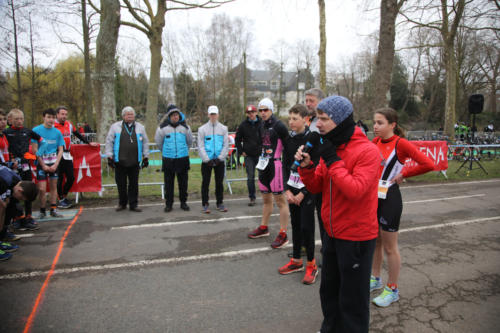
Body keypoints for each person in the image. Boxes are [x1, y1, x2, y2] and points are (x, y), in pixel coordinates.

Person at [296, 95, 380, 332]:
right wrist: (307, 168)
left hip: (356, 236)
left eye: (324, 118)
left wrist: (332, 160)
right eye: (317, 118)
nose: (318, 124)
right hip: (331, 233)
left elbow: (355, 190)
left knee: (352, 299)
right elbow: (316, 187)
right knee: (329, 292)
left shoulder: (367, 151)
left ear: (342, 120)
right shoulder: (330, 145)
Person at [370, 107, 434, 307]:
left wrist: (405, 174)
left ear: (392, 125)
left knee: (390, 247)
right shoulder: (375, 142)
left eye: (380, 123)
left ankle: (392, 289)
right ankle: (375, 278)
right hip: (374, 198)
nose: (375, 126)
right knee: (376, 242)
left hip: (390, 198)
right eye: (374, 122)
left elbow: (428, 164)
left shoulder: (401, 144)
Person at [278, 104, 318, 284]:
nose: (291, 122)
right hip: (292, 190)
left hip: (307, 191)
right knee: (295, 225)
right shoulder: (289, 139)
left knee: (307, 228)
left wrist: (303, 192)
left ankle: (311, 264)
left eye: (295, 118)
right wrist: (287, 190)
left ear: (305, 119)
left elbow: (317, 168)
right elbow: (286, 166)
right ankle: (296, 260)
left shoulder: (313, 138)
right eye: (290, 118)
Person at [247, 98, 290, 249]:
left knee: (280, 201)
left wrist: (289, 167)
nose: (263, 113)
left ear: (272, 110)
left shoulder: (279, 126)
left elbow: (288, 146)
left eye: (266, 110)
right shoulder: (261, 125)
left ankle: (283, 233)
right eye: (261, 110)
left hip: (276, 165)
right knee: (266, 199)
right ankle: (264, 227)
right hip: (263, 165)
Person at [54, 106, 100, 209]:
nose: (64, 116)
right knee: (60, 178)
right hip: (57, 154)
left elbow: (77, 134)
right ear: (57, 115)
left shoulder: (69, 124)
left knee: (71, 177)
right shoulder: (53, 125)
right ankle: (60, 199)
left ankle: (64, 196)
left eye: (65, 114)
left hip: (67, 154)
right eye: (62, 114)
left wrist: (88, 143)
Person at [105, 106, 149, 212]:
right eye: (127, 114)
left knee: (134, 184)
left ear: (134, 116)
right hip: (120, 160)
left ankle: (133, 204)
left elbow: (145, 142)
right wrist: (109, 156)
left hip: (135, 161)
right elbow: (109, 141)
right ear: (123, 116)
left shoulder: (140, 127)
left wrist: (146, 156)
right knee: (121, 184)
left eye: (132, 114)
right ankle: (122, 203)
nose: (130, 116)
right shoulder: (115, 127)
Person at [4, 109, 42, 230]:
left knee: (29, 190)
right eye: (16, 119)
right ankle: (17, 217)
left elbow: (42, 141)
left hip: (26, 165)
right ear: (10, 120)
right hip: (13, 166)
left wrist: (35, 155)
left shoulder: (27, 131)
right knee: (15, 192)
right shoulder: (6, 132)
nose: (19, 121)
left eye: (21, 119)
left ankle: (28, 216)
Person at [155, 104, 193, 212]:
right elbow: (159, 143)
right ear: (169, 116)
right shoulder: (162, 128)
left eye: (176, 115)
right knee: (169, 183)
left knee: (183, 183)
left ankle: (183, 202)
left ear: (179, 116)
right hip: (168, 160)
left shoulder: (186, 127)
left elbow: (189, 142)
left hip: (182, 159)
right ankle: (169, 204)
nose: (175, 117)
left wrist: (183, 150)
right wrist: (167, 151)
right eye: (172, 115)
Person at [0, 166, 38, 260]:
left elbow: (7, 204)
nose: (20, 200)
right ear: (20, 190)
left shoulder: (17, 181)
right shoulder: (5, 181)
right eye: (21, 198)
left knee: (8, 207)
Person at [32, 108, 65, 219]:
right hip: (41, 163)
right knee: (42, 188)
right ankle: (42, 210)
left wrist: (55, 164)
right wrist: (43, 165)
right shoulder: (36, 130)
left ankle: (53, 209)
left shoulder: (57, 132)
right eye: (48, 117)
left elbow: (61, 150)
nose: (51, 120)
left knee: (53, 186)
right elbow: (35, 149)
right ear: (44, 117)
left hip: (53, 162)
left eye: (53, 117)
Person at [304, 88, 326, 252]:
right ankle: (308, 246)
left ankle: (328, 248)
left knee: (324, 214)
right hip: (310, 171)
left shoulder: (327, 120)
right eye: (306, 100)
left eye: (311, 100)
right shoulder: (310, 120)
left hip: (323, 172)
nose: (308, 104)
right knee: (309, 213)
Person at [197, 106, 229, 213]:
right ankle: (205, 203)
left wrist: (220, 158)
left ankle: (219, 203)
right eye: (211, 114)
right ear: (208, 115)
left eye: (215, 114)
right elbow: (200, 146)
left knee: (219, 183)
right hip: (207, 162)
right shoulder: (202, 129)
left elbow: (226, 145)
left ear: (218, 115)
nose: (213, 116)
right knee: (205, 182)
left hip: (219, 161)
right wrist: (207, 159)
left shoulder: (224, 129)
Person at [235, 105, 261, 206]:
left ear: (256, 113)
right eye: (249, 113)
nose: (251, 114)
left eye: (253, 112)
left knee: (264, 176)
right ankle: (252, 197)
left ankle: (267, 196)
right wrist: (241, 151)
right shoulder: (243, 125)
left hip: (260, 155)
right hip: (249, 156)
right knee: (250, 177)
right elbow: (237, 139)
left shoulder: (262, 123)